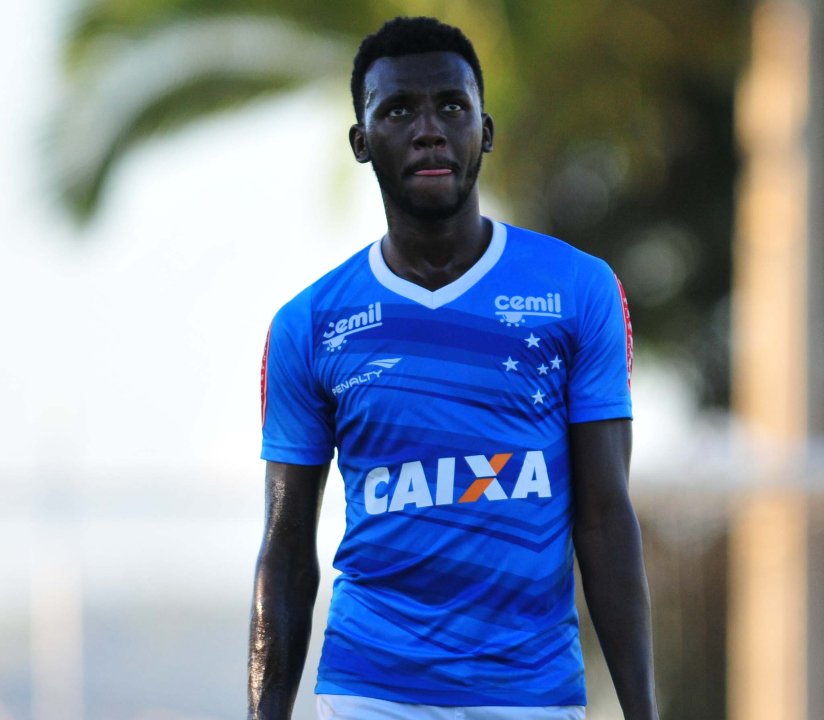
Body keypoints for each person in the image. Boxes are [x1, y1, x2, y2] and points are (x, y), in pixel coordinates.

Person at [249, 16, 658, 720]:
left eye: (452, 106)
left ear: (486, 131)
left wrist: (643, 712)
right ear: (361, 141)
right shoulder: (308, 324)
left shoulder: (577, 290)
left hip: (532, 695)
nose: (430, 128)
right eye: (399, 110)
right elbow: (286, 551)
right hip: (370, 690)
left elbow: (603, 518)